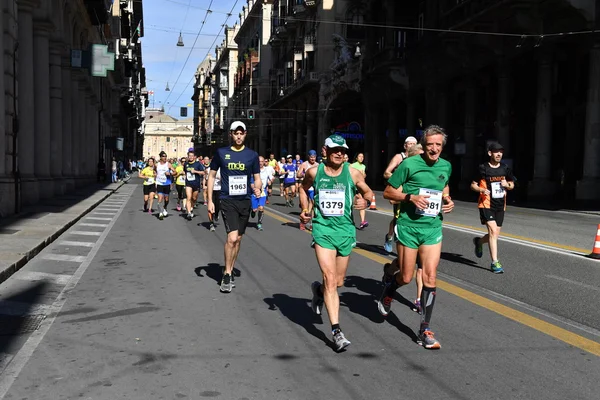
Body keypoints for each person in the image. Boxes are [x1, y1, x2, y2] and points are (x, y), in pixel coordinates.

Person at [378, 125, 454, 350]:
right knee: (407, 276)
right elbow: (388, 192)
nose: (434, 149)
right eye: (430, 144)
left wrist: (448, 201)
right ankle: (390, 288)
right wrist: (410, 197)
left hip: (432, 228)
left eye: (438, 145)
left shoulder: (446, 166)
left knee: (430, 277)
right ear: (424, 145)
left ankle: (425, 329)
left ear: (442, 146)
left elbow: (444, 187)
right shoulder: (409, 164)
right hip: (409, 227)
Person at [300, 134, 374, 352]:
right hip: (322, 229)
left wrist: (365, 200)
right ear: (325, 150)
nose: (340, 153)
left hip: (345, 231)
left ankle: (318, 291)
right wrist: (305, 211)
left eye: (343, 150)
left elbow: (368, 192)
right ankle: (336, 331)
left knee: (338, 282)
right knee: (331, 279)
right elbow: (303, 188)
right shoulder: (315, 172)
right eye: (335, 150)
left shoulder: (353, 173)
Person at [207, 121, 261, 293]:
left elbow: (257, 177)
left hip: (244, 200)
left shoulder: (252, 155)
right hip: (227, 200)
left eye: (241, 133)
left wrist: (258, 187)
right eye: (235, 133)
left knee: (238, 240)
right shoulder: (222, 153)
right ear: (231, 134)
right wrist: (210, 200)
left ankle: (230, 266)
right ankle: (227, 273)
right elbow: (211, 176)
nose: (239, 136)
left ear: (245, 134)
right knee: (231, 238)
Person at [470, 142, 515, 274]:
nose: (499, 154)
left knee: (494, 234)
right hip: (486, 204)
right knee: (493, 231)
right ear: (490, 153)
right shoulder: (482, 168)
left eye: (501, 152)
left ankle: (479, 242)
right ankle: (495, 262)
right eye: (496, 152)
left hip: (501, 205)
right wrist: (481, 189)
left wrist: (507, 184)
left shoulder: (505, 168)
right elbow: (473, 185)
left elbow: (512, 184)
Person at [382, 136, 418, 252]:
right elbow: (386, 173)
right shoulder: (399, 157)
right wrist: (398, 179)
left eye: (414, 144)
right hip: (400, 191)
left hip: (413, 192)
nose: (412, 146)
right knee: (398, 218)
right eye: (409, 144)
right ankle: (390, 237)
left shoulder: (418, 158)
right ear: (405, 146)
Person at [296, 150, 319, 230]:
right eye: (311, 157)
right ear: (309, 157)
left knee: (313, 205)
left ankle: (312, 224)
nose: (313, 159)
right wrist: (303, 174)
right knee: (304, 206)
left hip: (313, 188)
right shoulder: (304, 164)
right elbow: (298, 174)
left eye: (314, 157)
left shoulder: (318, 165)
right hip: (305, 187)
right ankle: (302, 222)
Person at [250, 156, 273, 231]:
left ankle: (259, 223)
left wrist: (270, 181)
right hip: (254, 191)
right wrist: (254, 189)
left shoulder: (267, 170)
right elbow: (251, 181)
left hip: (263, 192)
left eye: (262, 161)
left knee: (261, 208)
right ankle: (252, 211)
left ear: (264, 162)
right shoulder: (253, 170)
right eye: (259, 161)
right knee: (254, 209)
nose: (260, 163)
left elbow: (271, 178)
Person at [184, 149, 204, 220]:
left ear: (194, 157)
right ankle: (189, 213)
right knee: (188, 197)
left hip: (196, 183)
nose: (191, 157)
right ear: (188, 156)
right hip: (188, 183)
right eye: (189, 156)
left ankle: (192, 206)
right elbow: (185, 172)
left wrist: (195, 171)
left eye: (192, 156)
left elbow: (203, 172)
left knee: (194, 198)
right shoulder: (186, 164)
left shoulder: (198, 164)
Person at [350, 153, 368, 230]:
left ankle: (363, 221)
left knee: (362, 202)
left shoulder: (363, 166)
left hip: (360, 188)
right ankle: (348, 220)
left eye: (362, 157)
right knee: (350, 204)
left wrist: (363, 176)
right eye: (360, 156)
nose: (361, 158)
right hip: (353, 187)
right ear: (356, 158)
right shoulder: (352, 165)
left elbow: (364, 176)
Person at [155, 151, 175, 220]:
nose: (165, 157)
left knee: (166, 199)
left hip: (167, 183)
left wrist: (170, 173)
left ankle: (165, 207)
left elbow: (175, 172)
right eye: (163, 156)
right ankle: (160, 212)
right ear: (160, 157)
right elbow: (155, 172)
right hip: (159, 183)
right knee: (160, 198)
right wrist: (155, 179)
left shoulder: (168, 164)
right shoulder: (157, 165)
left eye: (165, 156)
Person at [208, 167, 221, 232]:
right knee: (210, 207)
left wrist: (219, 177)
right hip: (211, 190)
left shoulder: (222, 169)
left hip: (219, 189)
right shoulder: (209, 169)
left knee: (217, 206)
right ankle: (211, 223)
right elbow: (206, 179)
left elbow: (225, 179)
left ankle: (216, 215)